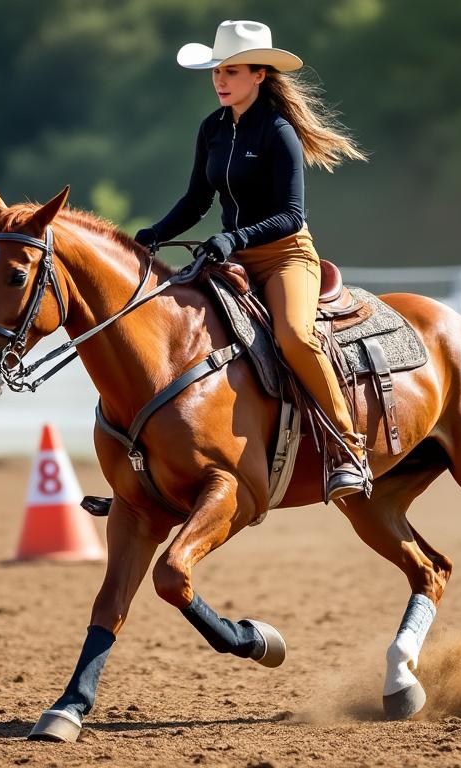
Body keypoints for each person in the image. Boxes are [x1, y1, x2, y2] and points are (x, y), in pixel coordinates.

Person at [134, 19, 370, 499]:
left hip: (287, 257)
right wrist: (154, 234)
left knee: (295, 337)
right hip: (232, 254)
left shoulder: (278, 131)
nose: (221, 80)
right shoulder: (213, 130)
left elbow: (290, 215)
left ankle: (349, 448)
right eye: (216, 72)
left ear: (260, 74)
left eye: (232, 71)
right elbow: (197, 200)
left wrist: (232, 238)